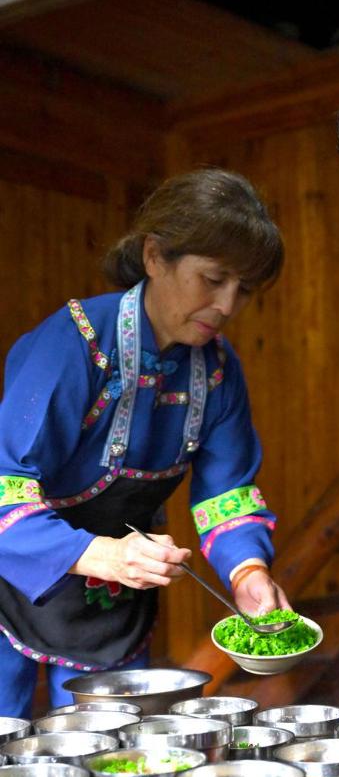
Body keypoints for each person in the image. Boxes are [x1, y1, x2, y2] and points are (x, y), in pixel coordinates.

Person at [0, 168, 291, 717]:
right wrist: (104, 554)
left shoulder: (218, 371)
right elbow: (4, 489)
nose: (227, 304)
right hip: (12, 576)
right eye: (213, 278)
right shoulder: (76, 342)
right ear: (155, 256)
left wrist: (247, 572)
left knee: (111, 754)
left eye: (245, 289)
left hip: (113, 602)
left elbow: (227, 496)